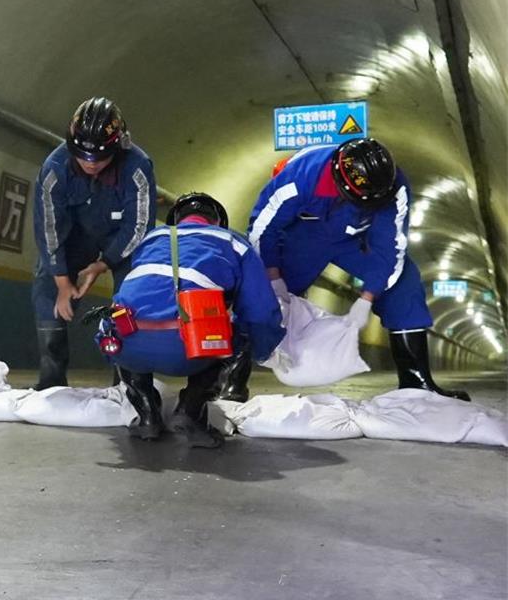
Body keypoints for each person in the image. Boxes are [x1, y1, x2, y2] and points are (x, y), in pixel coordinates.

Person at [245, 138, 469, 401]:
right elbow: (262, 229)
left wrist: (367, 298)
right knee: (255, 292)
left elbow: (390, 250)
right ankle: (231, 380)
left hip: (355, 241)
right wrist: (272, 279)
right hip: (303, 237)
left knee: (404, 282)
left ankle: (416, 383)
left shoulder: (394, 188)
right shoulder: (300, 177)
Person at [95, 193, 284, 447]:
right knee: (236, 334)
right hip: (191, 348)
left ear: (176, 219)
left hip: (129, 346)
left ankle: (148, 416)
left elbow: (135, 292)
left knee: (121, 325)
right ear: (217, 221)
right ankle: (190, 412)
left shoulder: (151, 239)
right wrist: (263, 350)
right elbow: (259, 311)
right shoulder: (233, 241)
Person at [32, 97, 157, 389]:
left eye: (99, 159)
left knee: (131, 292)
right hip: (76, 236)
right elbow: (48, 227)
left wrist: (105, 263)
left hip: (121, 240)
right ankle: (51, 380)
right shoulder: (54, 168)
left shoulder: (138, 167)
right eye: (83, 157)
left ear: (118, 146)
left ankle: (130, 382)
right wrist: (63, 283)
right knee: (44, 279)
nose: (90, 164)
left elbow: (139, 225)